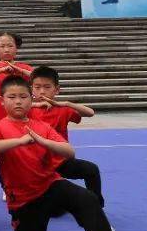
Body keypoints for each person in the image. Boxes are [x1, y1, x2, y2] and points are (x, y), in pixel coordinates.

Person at [0, 76, 130, 231]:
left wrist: (43, 141)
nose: (18, 101)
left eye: (23, 96)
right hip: (24, 199)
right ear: (1, 100)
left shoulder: (41, 126)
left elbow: (69, 152)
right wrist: (21, 140)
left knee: (87, 199)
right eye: (12, 97)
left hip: (50, 184)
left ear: (31, 99)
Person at [29, 66, 104, 207]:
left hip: (60, 162)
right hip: (35, 164)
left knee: (91, 170)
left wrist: (66, 103)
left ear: (56, 89)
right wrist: (34, 105)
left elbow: (90, 113)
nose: (42, 91)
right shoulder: (27, 109)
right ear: (31, 88)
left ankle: (97, 210)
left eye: (47, 87)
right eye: (37, 87)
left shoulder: (63, 110)